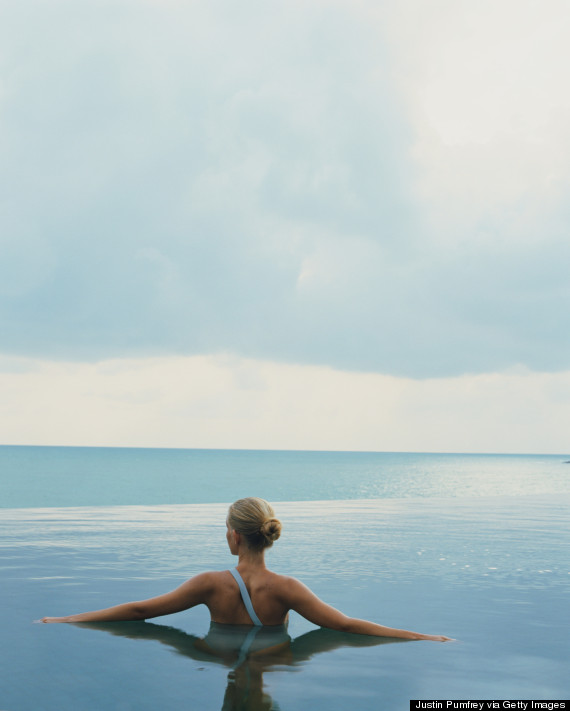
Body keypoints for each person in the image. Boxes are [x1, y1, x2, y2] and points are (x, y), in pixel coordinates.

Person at [41, 497, 452, 642]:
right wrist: (419, 635)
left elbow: (139, 612)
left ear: (234, 537)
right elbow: (344, 625)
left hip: (216, 654)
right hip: (271, 655)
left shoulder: (208, 584)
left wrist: (70, 617)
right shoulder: (287, 588)